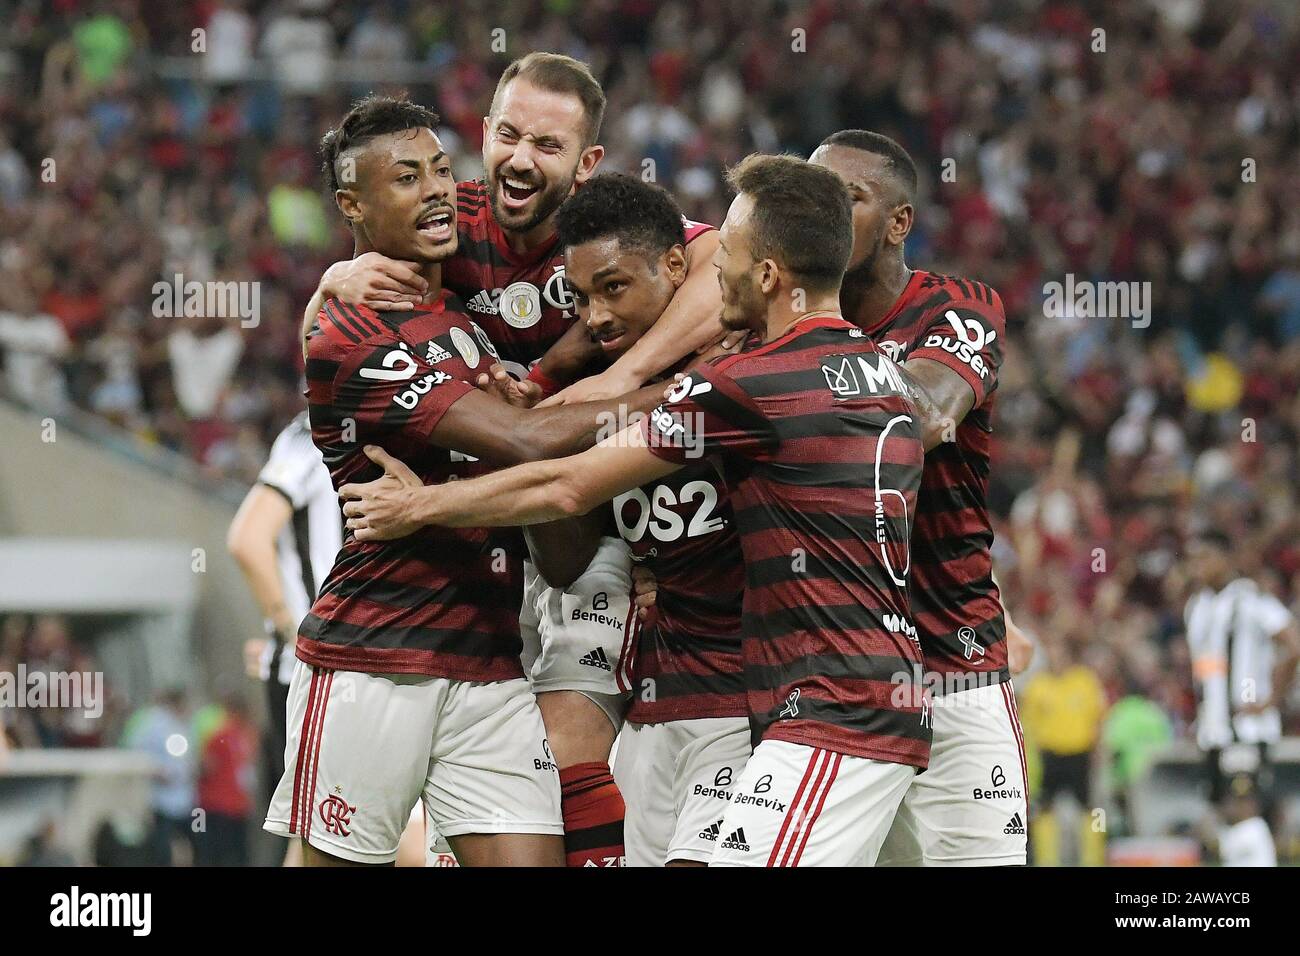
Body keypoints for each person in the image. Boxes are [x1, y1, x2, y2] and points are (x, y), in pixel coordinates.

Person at [339, 154, 931, 866]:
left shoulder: (746, 379)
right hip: (693, 699)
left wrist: (421, 504)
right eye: (581, 296)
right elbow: (564, 540)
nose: (722, 273)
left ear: (761, 274)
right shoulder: (875, 372)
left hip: (803, 708)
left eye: (730, 260)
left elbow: (567, 482)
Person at [310, 53, 721, 866]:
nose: (521, 159)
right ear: (485, 134)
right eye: (507, 134)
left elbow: (719, 257)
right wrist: (333, 279)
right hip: (466, 548)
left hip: (581, 529)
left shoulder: (608, 228)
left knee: (565, 768)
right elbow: (326, 340)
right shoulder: (443, 218)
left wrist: (612, 377)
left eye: (548, 144)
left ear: (587, 164)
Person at [810, 131, 1029, 866]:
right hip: (828, 677)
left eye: (848, 199)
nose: (823, 215)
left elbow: (932, 412)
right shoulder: (766, 325)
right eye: (811, 198)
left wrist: (804, 365)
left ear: (899, 222)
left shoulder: (956, 307)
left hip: (952, 665)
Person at [546, 173, 749, 866]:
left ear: (673, 266)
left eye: (612, 288)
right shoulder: (596, 397)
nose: (595, 315)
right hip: (655, 702)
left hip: (754, 703)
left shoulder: (749, 362)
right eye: (580, 298)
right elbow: (563, 557)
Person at [228, 409, 341, 865]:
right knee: (334, 831)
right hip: (324, 672)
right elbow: (247, 538)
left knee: (315, 832)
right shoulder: (315, 431)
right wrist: (292, 630)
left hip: (326, 668)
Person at [1183, 529, 1300, 864]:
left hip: (1247, 726)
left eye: (1205, 557)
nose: (1197, 566)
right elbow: (1204, 669)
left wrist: (1271, 699)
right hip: (1214, 728)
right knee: (1222, 812)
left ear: (1226, 560)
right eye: (1193, 559)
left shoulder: (1249, 599)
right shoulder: (1197, 606)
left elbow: (1292, 645)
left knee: (1244, 808)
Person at [1019, 639, 1108, 866]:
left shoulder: (1085, 681)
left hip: (1081, 754)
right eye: (1052, 652)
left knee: (1093, 808)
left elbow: (1098, 718)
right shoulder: (1038, 685)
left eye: (1060, 653)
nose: (1056, 658)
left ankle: (1095, 859)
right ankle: (1047, 861)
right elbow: (1028, 723)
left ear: (1069, 655)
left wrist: (1099, 749)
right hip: (1050, 756)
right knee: (1044, 810)